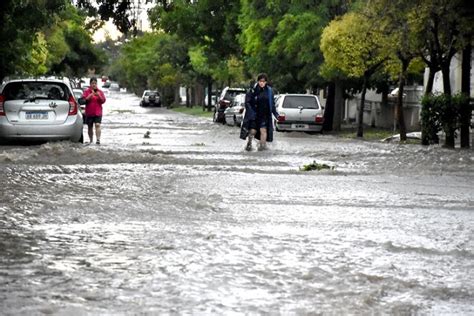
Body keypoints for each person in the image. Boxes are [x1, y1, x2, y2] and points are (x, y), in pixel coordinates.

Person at [240, 73, 279, 151]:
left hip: (264, 115)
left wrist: (276, 115)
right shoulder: (252, 90)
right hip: (254, 115)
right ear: (258, 81)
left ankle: (262, 148)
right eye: (260, 81)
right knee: (252, 131)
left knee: (263, 130)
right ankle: (249, 144)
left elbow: (272, 104)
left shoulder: (269, 91)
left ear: (266, 82)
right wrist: (251, 113)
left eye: (264, 81)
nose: (262, 83)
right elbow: (247, 103)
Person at [82, 77, 106, 144]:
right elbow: (83, 100)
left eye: (95, 83)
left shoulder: (100, 92)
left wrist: (99, 95)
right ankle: (91, 140)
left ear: (97, 84)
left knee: (98, 125)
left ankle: (98, 140)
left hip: (98, 112)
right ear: (90, 84)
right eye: (92, 83)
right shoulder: (86, 91)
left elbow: (103, 101)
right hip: (89, 112)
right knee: (90, 126)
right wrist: (90, 96)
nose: (94, 85)